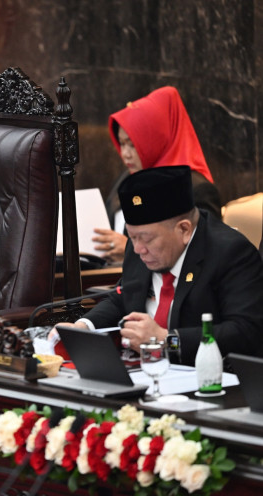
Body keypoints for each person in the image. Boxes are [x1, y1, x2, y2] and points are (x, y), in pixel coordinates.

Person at [76, 166, 263, 366]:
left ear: (184, 229)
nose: (139, 249)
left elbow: (245, 332)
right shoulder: (138, 247)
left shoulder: (230, 253)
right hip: (141, 370)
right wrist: (84, 326)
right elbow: (122, 296)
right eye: (132, 237)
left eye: (147, 239)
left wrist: (167, 341)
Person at [93, 86, 222, 263]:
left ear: (154, 139)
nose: (125, 154)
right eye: (122, 144)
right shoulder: (128, 179)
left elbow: (204, 253)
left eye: (133, 144)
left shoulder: (197, 189)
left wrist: (130, 251)